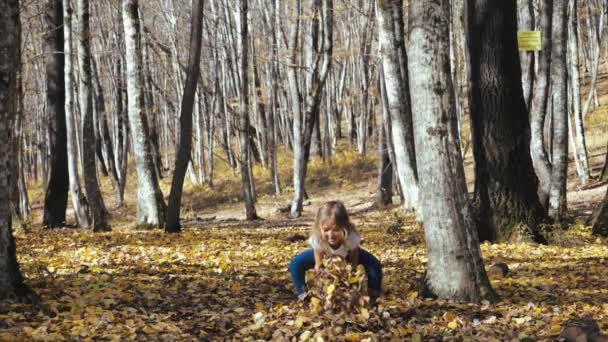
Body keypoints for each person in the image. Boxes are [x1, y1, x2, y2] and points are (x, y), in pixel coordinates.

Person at [288, 201, 383, 301]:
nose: (331, 234)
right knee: (296, 264)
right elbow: (318, 264)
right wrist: (321, 275)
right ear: (319, 228)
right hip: (326, 256)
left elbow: (354, 256)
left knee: (374, 263)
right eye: (326, 230)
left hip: (346, 256)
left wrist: (353, 272)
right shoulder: (318, 239)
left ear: (345, 227)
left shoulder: (351, 237)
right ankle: (302, 293)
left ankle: (374, 293)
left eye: (336, 229)